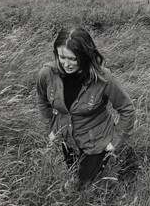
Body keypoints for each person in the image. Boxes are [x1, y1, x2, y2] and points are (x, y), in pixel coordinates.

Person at [36, 27, 136, 189]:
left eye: (72, 59)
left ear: (84, 56)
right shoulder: (47, 74)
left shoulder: (104, 79)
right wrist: (50, 129)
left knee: (82, 183)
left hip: (96, 141)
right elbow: (42, 101)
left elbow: (127, 109)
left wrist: (114, 142)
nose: (66, 64)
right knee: (72, 169)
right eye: (61, 57)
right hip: (65, 136)